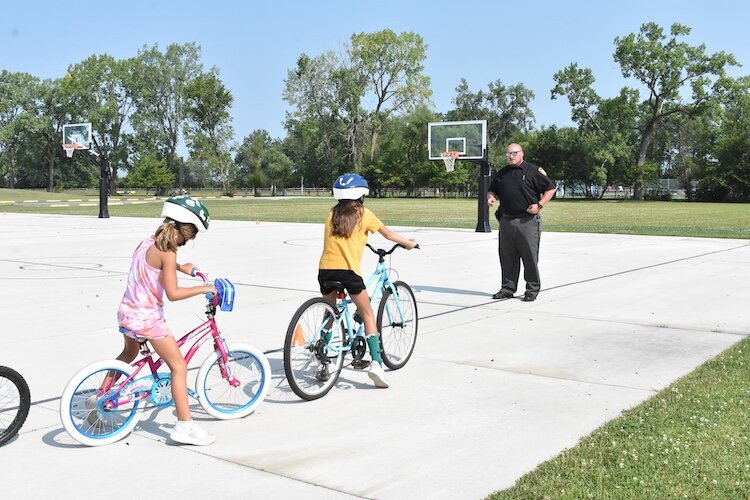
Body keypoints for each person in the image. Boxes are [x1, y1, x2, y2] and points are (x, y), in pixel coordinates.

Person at [112, 195, 217, 445]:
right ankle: (184, 426)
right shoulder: (168, 252)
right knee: (178, 367)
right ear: (183, 228)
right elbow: (173, 293)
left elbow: (154, 264)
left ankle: (102, 393)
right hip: (148, 319)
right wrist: (204, 289)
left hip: (127, 311)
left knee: (127, 355)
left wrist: (181, 267)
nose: (189, 240)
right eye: (190, 236)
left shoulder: (147, 243)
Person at [318, 173, 417, 388]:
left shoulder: (331, 213)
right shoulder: (364, 214)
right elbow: (388, 235)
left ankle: (322, 358)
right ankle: (377, 365)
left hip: (325, 271)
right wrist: (408, 243)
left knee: (330, 313)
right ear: (362, 195)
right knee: (368, 313)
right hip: (348, 273)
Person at [487, 144, 556, 302]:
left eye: (514, 153)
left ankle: (532, 289)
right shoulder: (503, 173)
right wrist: (490, 197)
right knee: (507, 257)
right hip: (506, 221)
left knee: (529, 257)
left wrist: (539, 205)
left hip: (527, 221)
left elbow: (550, 188)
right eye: (508, 153)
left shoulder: (533, 170)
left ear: (521, 154)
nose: (511, 156)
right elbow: (492, 190)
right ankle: (507, 288)